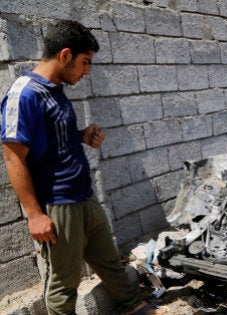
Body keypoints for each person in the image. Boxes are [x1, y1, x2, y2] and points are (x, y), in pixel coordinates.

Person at [0, 20, 166, 315]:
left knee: (108, 261)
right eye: (85, 62)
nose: (87, 71)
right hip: (57, 205)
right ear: (65, 55)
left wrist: (81, 136)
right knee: (64, 282)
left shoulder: (55, 89)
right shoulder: (23, 94)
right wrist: (35, 215)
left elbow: (49, 139)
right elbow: (13, 156)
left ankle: (133, 305)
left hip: (84, 196)